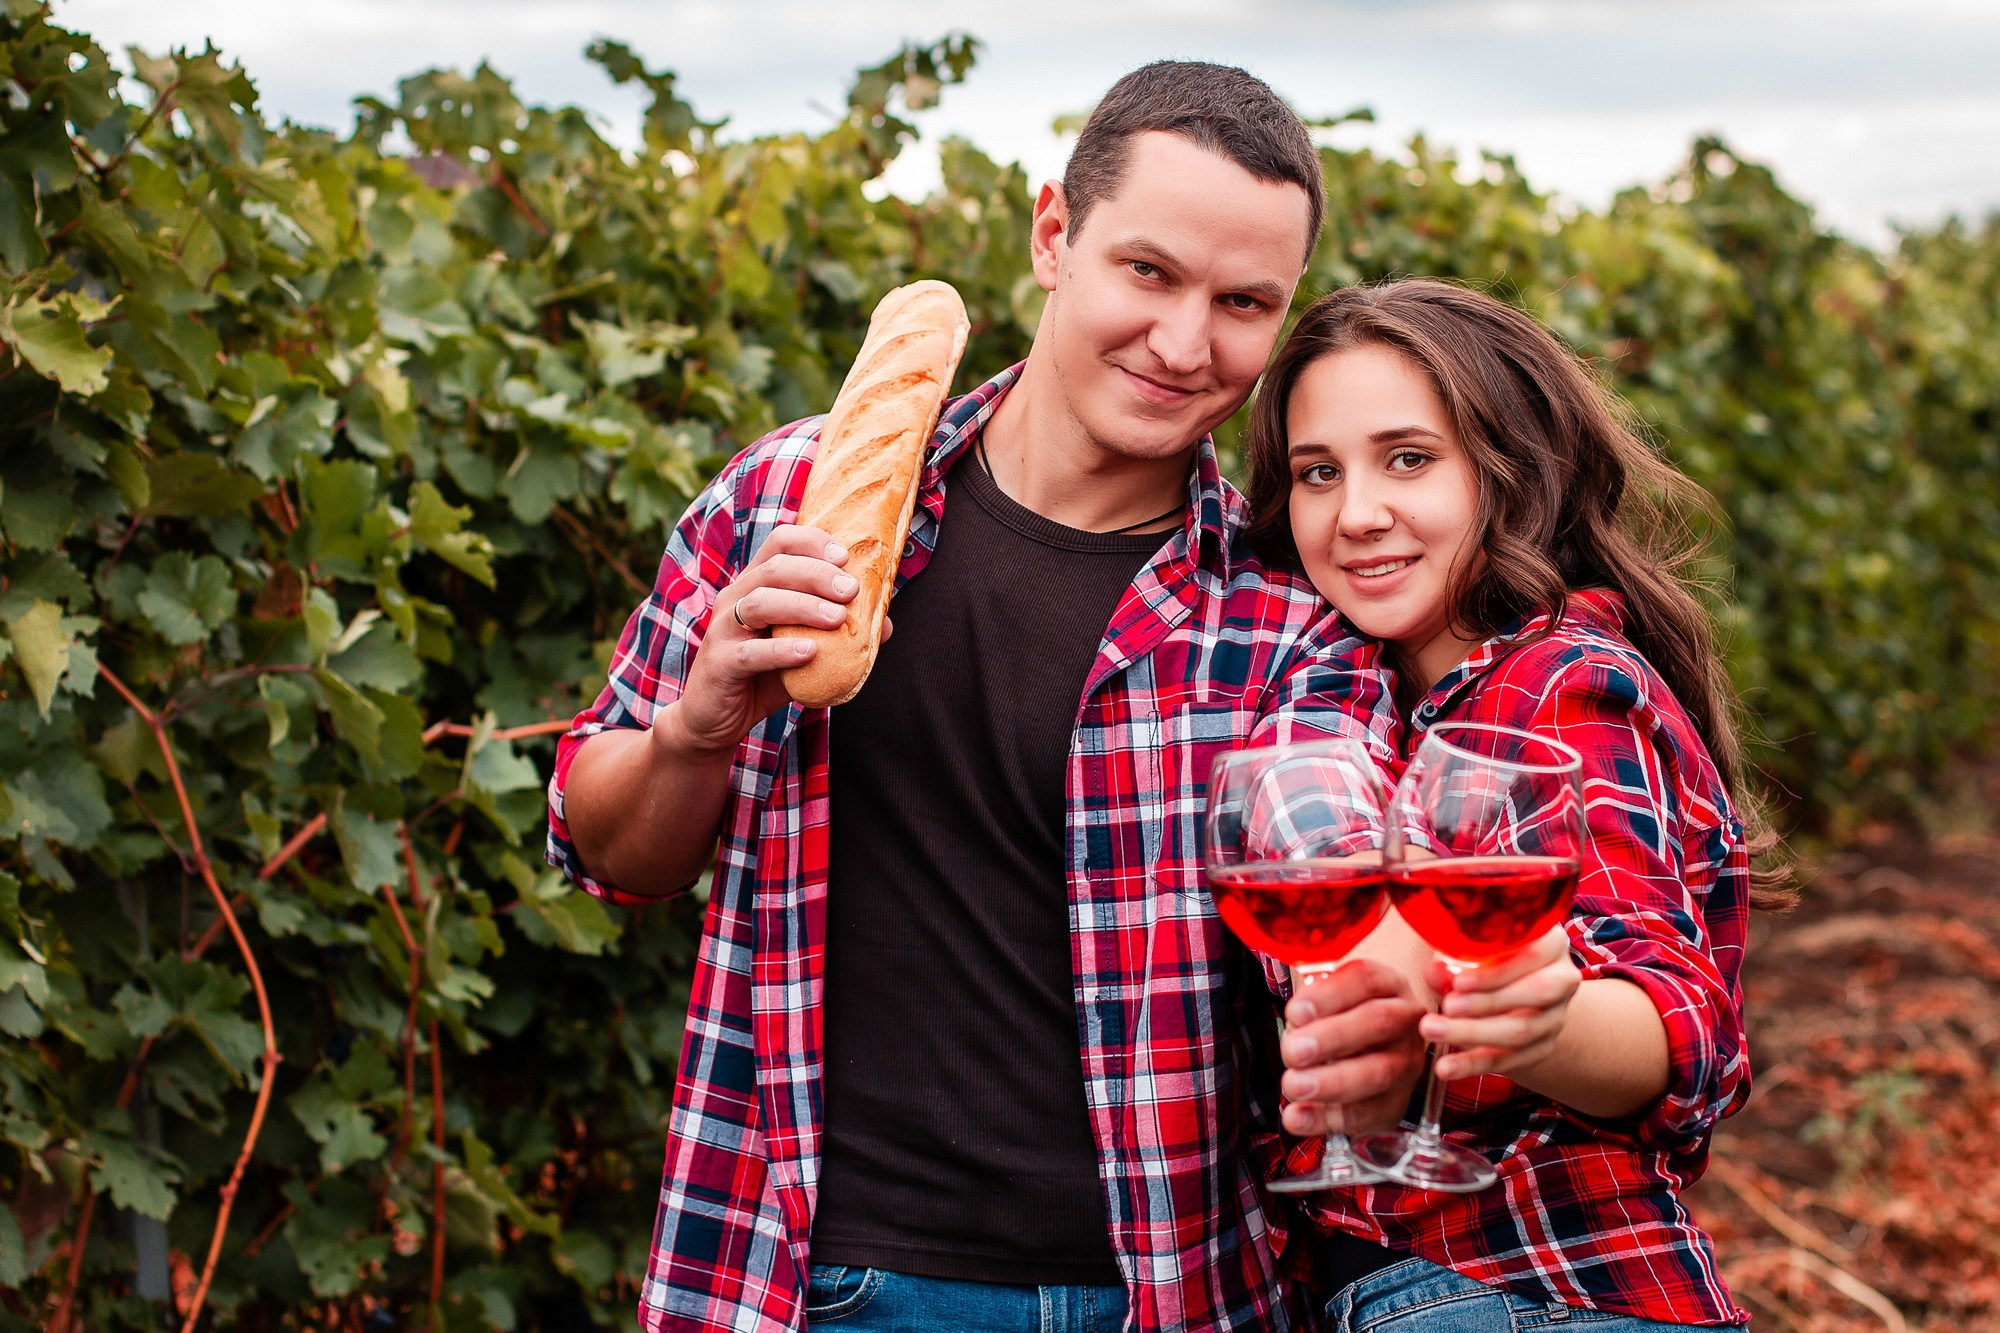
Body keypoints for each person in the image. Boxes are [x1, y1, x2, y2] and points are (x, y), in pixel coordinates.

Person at [546, 62, 1425, 1333]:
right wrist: (696, 726)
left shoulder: (1281, 612)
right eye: (1148, 272)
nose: (1185, 345)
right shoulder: (792, 501)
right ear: (1052, 233)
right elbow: (605, 850)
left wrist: (1374, 964)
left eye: (1243, 303)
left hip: (1166, 1291)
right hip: (815, 1277)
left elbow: (1320, 823)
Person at [1241, 279, 1790, 1329]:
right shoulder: (1342, 702)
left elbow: (1681, 1026)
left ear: (1510, 473)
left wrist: (1542, 1021)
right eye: (1318, 472)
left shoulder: (1561, 683)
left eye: (1407, 458)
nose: (1356, 512)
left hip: (1536, 1287)